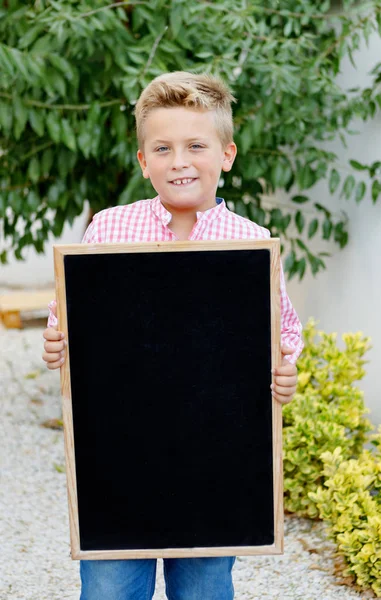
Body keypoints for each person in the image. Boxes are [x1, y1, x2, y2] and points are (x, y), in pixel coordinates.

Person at [42, 71, 303, 600]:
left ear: (227, 154)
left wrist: (285, 370)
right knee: (111, 589)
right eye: (162, 148)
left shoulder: (252, 243)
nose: (179, 160)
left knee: (205, 588)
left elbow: (284, 332)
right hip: (117, 458)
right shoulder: (109, 229)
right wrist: (57, 343)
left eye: (195, 146)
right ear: (143, 161)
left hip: (217, 458)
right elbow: (67, 321)